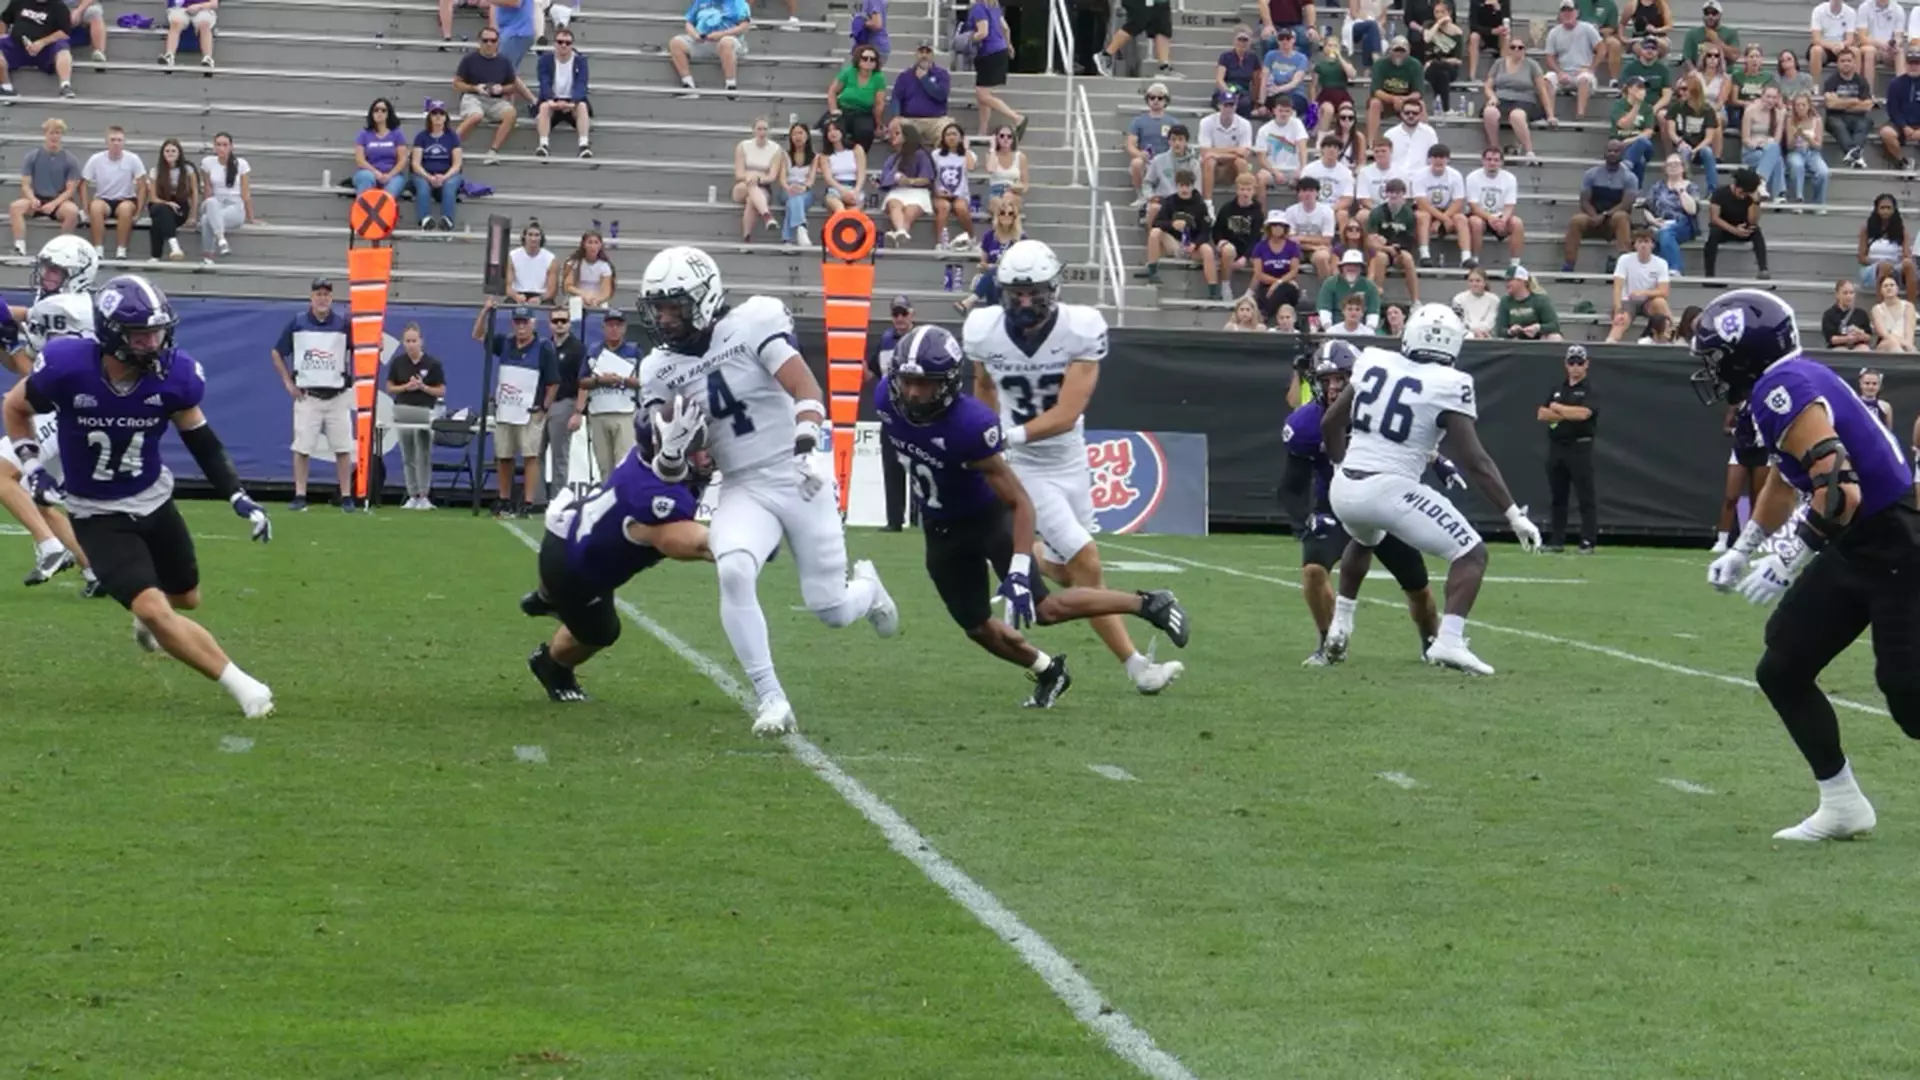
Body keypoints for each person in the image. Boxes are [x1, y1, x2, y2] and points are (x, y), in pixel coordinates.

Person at [635, 246, 896, 736]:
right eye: (659, 308)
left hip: (797, 473)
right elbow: (668, 473)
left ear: (705, 298)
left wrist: (805, 445)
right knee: (733, 567)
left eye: (675, 306)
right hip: (743, 485)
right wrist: (671, 453)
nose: (665, 319)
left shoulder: (753, 323)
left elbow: (807, 390)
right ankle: (771, 697)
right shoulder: (658, 369)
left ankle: (869, 590)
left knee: (831, 609)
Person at [1691, 288, 1920, 841]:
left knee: (1911, 699)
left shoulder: (1783, 387)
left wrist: (1790, 555)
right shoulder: (1784, 386)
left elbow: (1842, 492)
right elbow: (1783, 479)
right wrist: (1746, 546)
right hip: (1860, 542)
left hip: (1899, 541)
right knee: (1784, 665)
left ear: (1741, 353)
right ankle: (1842, 804)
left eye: (1714, 358)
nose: (1710, 371)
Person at [1, 274, 275, 717]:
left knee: (186, 599)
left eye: (158, 331)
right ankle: (244, 687)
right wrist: (32, 467)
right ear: (113, 334)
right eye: (143, 334)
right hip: (95, 512)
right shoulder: (69, 366)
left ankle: (148, 619)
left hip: (153, 498)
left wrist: (238, 496)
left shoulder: (175, 375)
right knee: (155, 606)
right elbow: (15, 409)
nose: (154, 342)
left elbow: (200, 438)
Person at [880, 325, 1190, 705]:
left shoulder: (970, 425)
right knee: (976, 627)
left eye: (924, 382)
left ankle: (1148, 603)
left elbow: (1020, 502)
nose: (912, 392)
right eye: (907, 380)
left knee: (1045, 609)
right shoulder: (886, 399)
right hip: (940, 525)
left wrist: (1018, 566)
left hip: (988, 519)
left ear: (945, 383)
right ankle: (1048, 670)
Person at [966, 239, 1185, 695]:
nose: (1025, 303)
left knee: (1074, 574)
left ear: (1054, 289)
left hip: (1068, 453)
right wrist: (989, 439)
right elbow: (983, 386)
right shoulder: (984, 329)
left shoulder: (1081, 327)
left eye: (1035, 293)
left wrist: (1005, 434)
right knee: (1088, 559)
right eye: (1016, 294)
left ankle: (1021, 563)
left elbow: (1067, 410)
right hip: (1024, 464)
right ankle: (1138, 665)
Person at [1320, 303, 1542, 674]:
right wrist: (1513, 514)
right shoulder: (1451, 384)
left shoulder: (1374, 359)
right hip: (1389, 488)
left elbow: (1330, 423)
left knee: (1364, 539)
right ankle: (1449, 641)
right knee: (1471, 553)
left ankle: (1341, 625)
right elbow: (1475, 461)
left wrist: (1342, 467)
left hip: (1344, 490)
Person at [519, 411, 714, 703]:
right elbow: (689, 542)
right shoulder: (654, 498)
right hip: (574, 569)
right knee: (601, 632)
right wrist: (743, 546)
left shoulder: (646, 458)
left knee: (582, 570)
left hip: (567, 529)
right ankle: (550, 664)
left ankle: (547, 597)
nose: (707, 454)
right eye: (696, 447)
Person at [1283, 340, 1443, 665]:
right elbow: (1291, 485)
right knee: (1314, 569)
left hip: (1384, 504)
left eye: (1340, 378)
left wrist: (1437, 459)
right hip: (1337, 505)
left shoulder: (1379, 414)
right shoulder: (1305, 424)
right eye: (1326, 380)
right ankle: (1330, 643)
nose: (1332, 387)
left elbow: (1415, 444)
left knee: (1418, 588)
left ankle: (1432, 643)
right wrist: (1303, 521)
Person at [270, 278, 355, 512]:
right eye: (318, 294)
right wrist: (288, 382)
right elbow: (277, 352)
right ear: (311, 297)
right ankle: (300, 494)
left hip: (337, 394)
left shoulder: (343, 324)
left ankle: (346, 495)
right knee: (302, 447)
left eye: (326, 294)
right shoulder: (298, 322)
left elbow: (360, 348)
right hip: (309, 395)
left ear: (331, 298)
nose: (322, 298)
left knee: (343, 447)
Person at [475, 298, 555, 517]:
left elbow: (553, 382)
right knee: (504, 455)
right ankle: (504, 498)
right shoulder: (505, 343)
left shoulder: (544, 348)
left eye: (524, 322)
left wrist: (544, 408)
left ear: (533, 323)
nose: (521, 327)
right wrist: (485, 311)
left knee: (530, 456)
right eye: (517, 322)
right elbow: (478, 335)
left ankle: (528, 501)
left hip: (529, 411)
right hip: (506, 410)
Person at [1537, 344, 1598, 552]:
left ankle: (1588, 540)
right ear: (1565, 364)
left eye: (1579, 362)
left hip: (1580, 447)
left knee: (1585, 496)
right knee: (1558, 497)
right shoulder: (1558, 387)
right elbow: (1542, 414)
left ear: (1586, 364)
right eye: (1571, 362)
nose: (1575, 366)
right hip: (1557, 447)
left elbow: (1583, 415)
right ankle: (1557, 540)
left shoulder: (1590, 388)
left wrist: (1559, 409)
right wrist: (1567, 414)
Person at [866, 296, 918, 529]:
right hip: (891, 413)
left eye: (903, 313)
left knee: (920, 468)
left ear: (911, 314)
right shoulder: (885, 340)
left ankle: (921, 521)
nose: (899, 318)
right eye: (895, 314)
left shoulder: (921, 338)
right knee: (891, 468)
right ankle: (894, 520)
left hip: (918, 414)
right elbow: (872, 373)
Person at [385, 323, 445, 510]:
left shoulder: (433, 364)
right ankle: (412, 494)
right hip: (403, 410)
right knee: (407, 455)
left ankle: (424, 495)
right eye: (408, 341)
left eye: (414, 341)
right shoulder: (398, 362)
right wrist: (406, 387)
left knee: (423, 454)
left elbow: (441, 390)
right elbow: (390, 387)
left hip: (425, 412)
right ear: (404, 342)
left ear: (421, 342)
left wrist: (423, 387)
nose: (411, 345)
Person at [575, 308, 640, 481]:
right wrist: (598, 381)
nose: (614, 329)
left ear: (624, 328)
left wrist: (623, 380)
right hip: (598, 412)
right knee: (604, 465)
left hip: (624, 412)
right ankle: (607, 501)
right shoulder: (593, 351)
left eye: (618, 325)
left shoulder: (634, 352)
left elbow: (643, 382)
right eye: (610, 325)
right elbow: (582, 381)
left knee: (624, 463)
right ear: (604, 327)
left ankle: (624, 503)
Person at [454, 27, 533, 164]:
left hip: (496, 100)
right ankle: (451, 143)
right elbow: (457, 83)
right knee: (476, 115)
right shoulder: (469, 59)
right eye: (485, 40)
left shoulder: (504, 61)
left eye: (493, 40)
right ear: (480, 42)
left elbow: (513, 85)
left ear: (498, 43)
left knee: (511, 113)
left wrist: (501, 88)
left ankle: (493, 152)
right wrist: (475, 88)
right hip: (473, 97)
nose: (489, 44)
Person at [1562, 139, 1637, 272]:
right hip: (1593, 217)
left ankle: (1625, 266)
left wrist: (1605, 215)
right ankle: (1569, 265)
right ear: (1604, 153)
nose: (1612, 153)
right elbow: (1584, 201)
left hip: (1614, 220)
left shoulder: (1630, 177)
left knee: (1621, 217)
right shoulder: (1591, 174)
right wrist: (1594, 216)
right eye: (1609, 150)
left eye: (1616, 151)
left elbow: (1627, 203)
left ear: (1622, 154)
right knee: (1576, 220)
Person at [9, 117, 79, 255]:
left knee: (72, 212)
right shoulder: (32, 156)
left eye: (58, 133)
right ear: (45, 134)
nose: (54, 136)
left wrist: (54, 204)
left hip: (58, 201)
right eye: (51, 132)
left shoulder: (70, 159)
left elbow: (70, 189)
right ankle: (19, 245)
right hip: (36, 199)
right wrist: (32, 198)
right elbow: (25, 184)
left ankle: (62, 248)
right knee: (15, 207)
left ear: (62, 135)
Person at [966, 0, 1026, 138]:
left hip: (989, 53)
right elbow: (1005, 28)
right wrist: (1009, 44)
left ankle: (1017, 118)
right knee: (983, 95)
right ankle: (982, 131)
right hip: (999, 51)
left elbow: (983, 32)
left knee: (982, 95)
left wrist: (967, 39)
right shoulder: (994, 5)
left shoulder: (979, 8)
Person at [82, 125, 142, 260]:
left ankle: (121, 249)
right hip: (104, 199)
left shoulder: (133, 159)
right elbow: (83, 184)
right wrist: (85, 208)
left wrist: (138, 211)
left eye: (119, 140)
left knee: (126, 209)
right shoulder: (96, 159)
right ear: (107, 142)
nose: (116, 143)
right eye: (113, 140)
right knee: (95, 207)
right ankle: (98, 249)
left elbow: (143, 185)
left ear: (124, 142)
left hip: (126, 198)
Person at [668, 0, 750, 98]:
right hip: (703, 40)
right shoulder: (699, 1)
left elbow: (744, 27)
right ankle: (688, 86)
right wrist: (694, 35)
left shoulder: (739, 2)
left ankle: (731, 87)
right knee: (676, 42)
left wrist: (722, 34)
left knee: (726, 42)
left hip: (730, 40)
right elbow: (689, 22)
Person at [543, 306, 584, 498]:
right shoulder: (543, 346)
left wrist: (578, 411)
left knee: (559, 454)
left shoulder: (577, 348)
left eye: (563, 321)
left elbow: (583, 381)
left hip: (563, 402)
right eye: (555, 321)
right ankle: (536, 500)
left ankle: (557, 498)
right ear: (549, 324)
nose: (559, 325)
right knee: (534, 453)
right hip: (540, 404)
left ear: (569, 323)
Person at [197, 131, 256, 264]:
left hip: (234, 206)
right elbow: (207, 189)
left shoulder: (241, 164)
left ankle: (208, 257)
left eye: (225, 145)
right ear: (214, 147)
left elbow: (245, 193)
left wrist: (251, 218)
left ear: (231, 147)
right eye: (218, 145)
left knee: (207, 220)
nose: (221, 148)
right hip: (215, 203)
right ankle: (221, 239)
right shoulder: (208, 163)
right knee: (211, 204)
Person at [534, 26, 591, 158]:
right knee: (544, 107)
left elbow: (581, 84)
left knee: (582, 106)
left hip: (572, 101)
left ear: (572, 45)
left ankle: (584, 146)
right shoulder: (545, 60)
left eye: (567, 43)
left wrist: (573, 102)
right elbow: (544, 82)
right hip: (552, 99)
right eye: (560, 42)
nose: (563, 45)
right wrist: (550, 100)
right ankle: (543, 145)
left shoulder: (580, 61)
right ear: (554, 43)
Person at [0, 0, 76, 98]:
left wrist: (42, 42)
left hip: (46, 48)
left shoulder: (59, 7)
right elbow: (4, 20)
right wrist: (2, 34)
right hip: (17, 45)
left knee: (62, 47)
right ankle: (6, 87)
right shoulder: (18, 1)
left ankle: (65, 86)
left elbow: (65, 33)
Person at [1412, 143, 1471, 268]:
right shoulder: (1419, 175)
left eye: (1442, 157)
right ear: (1429, 159)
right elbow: (1421, 203)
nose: (1438, 160)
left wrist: (1441, 219)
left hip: (1447, 210)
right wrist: (1443, 219)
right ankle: (1424, 255)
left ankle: (1466, 257)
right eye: (1435, 157)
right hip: (1427, 209)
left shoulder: (1455, 175)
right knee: (1423, 216)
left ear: (1447, 159)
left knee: (1461, 219)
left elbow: (1458, 202)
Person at [1464, 145, 1523, 268]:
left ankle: (1515, 266)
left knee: (1517, 223)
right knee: (1476, 222)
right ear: (1483, 160)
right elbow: (1473, 206)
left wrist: (1503, 220)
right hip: (1479, 215)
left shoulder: (1510, 178)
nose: (1492, 163)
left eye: (1496, 160)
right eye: (1489, 159)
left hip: (1500, 216)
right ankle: (1474, 261)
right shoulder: (1473, 177)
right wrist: (1490, 218)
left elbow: (1510, 205)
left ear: (1501, 162)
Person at [1704, 167, 1769, 278]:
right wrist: (1734, 230)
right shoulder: (1720, 193)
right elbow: (1715, 218)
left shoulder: (1750, 197)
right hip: (1724, 229)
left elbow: (1752, 220)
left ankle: (1763, 269)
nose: (1743, 196)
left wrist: (1756, 202)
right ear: (1737, 188)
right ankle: (1709, 276)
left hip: (1743, 229)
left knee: (1756, 231)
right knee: (1713, 234)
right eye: (1741, 193)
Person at [1609, 227, 1671, 341]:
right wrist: (1618, 309)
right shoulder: (1624, 259)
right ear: (1635, 245)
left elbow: (1664, 292)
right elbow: (1617, 287)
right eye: (1640, 242)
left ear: (1652, 245)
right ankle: (1609, 343)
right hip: (1628, 300)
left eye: (1646, 241)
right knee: (1621, 320)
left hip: (1648, 301)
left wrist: (1642, 293)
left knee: (1660, 302)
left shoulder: (1661, 263)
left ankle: (1672, 335)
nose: (1643, 245)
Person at [410, 102, 464, 232]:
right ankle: (425, 219)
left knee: (449, 185)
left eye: (441, 113)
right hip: (424, 173)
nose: (438, 116)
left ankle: (447, 220)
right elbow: (415, 163)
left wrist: (444, 177)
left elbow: (457, 164)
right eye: (434, 113)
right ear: (429, 117)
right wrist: (429, 177)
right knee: (422, 186)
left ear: (446, 117)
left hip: (448, 174)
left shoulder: (452, 137)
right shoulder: (421, 137)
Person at [1544, 0, 1602, 119]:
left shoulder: (1588, 29)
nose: (1567, 13)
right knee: (1548, 78)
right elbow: (1549, 57)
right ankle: (1550, 115)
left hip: (1582, 72)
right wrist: (1559, 72)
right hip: (1563, 73)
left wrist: (1591, 68)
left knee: (1584, 78)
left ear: (1577, 12)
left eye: (1570, 10)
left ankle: (1580, 114)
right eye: (1564, 11)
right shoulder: (1554, 32)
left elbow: (1602, 49)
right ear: (1560, 14)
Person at [1645, 152, 1701, 274]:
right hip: (1659, 223)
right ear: (1665, 169)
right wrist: (1653, 220)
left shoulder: (1691, 187)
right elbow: (1646, 207)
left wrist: (1681, 191)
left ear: (1683, 167)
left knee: (1666, 233)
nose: (1672, 167)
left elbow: (1692, 210)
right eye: (1669, 164)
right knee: (1654, 234)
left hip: (1682, 224)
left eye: (1676, 164)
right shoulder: (1658, 187)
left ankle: (1675, 269)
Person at [826, 45, 886, 152]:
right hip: (843, 110)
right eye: (865, 58)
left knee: (866, 132)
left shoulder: (878, 78)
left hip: (863, 113)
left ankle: (858, 160)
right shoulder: (848, 72)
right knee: (836, 130)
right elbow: (832, 91)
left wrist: (878, 124)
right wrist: (834, 110)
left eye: (872, 59)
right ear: (858, 59)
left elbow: (879, 103)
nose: (868, 61)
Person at [144, 137, 196, 261]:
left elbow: (194, 193)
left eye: (173, 151)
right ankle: (174, 246)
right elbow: (153, 198)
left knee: (158, 220)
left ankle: (155, 256)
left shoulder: (188, 170)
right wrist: (168, 203)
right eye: (167, 151)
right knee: (161, 209)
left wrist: (193, 215)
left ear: (179, 153)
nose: (170, 154)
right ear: (162, 154)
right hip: (160, 203)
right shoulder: (155, 171)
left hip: (180, 206)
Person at [1859, 193, 1917, 299]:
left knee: (1908, 264)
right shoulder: (1867, 229)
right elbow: (1862, 258)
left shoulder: (1901, 230)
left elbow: (1906, 255)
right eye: (1882, 208)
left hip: (1895, 267)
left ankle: (1911, 309)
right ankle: (1881, 310)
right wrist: (1879, 262)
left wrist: (1903, 257)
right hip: (1873, 269)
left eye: (1889, 208)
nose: (1885, 211)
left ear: (1894, 210)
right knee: (1884, 267)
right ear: (1876, 210)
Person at [896, 42, 954, 147]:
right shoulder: (905, 75)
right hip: (910, 120)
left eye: (927, 52)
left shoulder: (942, 74)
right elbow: (896, 98)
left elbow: (941, 95)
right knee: (898, 130)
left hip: (936, 120)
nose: (924, 55)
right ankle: (906, 162)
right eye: (921, 52)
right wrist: (895, 117)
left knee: (949, 131)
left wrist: (924, 79)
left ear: (932, 55)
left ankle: (943, 162)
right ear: (916, 54)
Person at [352, 98, 409, 199]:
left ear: (388, 114)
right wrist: (376, 173)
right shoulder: (364, 134)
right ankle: (364, 213)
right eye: (376, 110)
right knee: (366, 178)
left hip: (392, 174)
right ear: (372, 113)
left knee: (388, 195)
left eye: (383, 110)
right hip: (369, 172)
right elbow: (360, 160)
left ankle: (381, 214)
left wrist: (389, 175)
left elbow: (402, 160)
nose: (379, 112)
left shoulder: (397, 134)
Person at [1251, 212, 1303, 323]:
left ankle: (1267, 317)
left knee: (1284, 290)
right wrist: (1276, 283)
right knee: (1279, 298)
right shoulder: (1260, 247)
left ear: (1285, 228)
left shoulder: (1292, 246)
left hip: (1289, 285)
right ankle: (1283, 321)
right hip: (1266, 286)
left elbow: (1294, 271)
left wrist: (1279, 283)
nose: (1277, 228)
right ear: (1269, 228)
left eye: (1281, 225)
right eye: (1274, 225)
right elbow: (1258, 274)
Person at [1494, 265, 1562, 339]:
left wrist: (1538, 327)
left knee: (1555, 336)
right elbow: (1500, 330)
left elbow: (1555, 325)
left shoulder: (1540, 300)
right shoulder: (1505, 301)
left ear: (1522, 281)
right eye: (1505, 280)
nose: (1506, 283)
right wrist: (1510, 331)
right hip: (1515, 340)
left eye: (1509, 280)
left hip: (1539, 339)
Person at [1826, 278, 1876, 350]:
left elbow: (1869, 337)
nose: (1849, 296)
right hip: (1838, 347)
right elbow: (1831, 339)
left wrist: (1861, 335)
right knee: (1841, 350)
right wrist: (1847, 339)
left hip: (1859, 346)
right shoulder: (1829, 314)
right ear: (1837, 295)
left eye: (1851, 293)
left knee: (1864, 349)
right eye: (1845, 293)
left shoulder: (1862, 314)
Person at [1871, 272, 1917, 351]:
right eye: (1885, 286)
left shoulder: (1908, 307)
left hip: (1906, 345)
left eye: (1892, 285)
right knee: (1892, 343)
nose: (1889, 288)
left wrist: (1907, 345)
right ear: (1881, 291)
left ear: (1897, 288)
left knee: (1910, 348)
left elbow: (1909, 335)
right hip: (1884, 346)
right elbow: (1884, 334)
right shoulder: (1877, 309)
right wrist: (1902, 342)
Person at [1453, 267, 1498, 336]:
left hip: (1487, 336)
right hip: (1465, 336)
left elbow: (1491, 322)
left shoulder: (1495, 300)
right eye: (1471, 281)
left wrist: (1481, 332)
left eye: (1478, 281)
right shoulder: (1458, 299)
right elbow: (1459, 321)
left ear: (1485, 282)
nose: (1474, 284)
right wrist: (1474, 332)